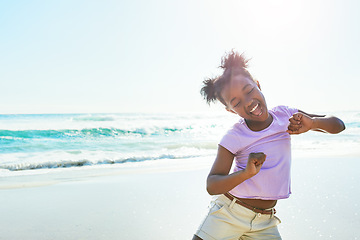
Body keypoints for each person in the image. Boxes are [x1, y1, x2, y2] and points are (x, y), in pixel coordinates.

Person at [192, 50, 345, 240]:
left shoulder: (285, 116)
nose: (248, 102)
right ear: (230, 110)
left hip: (265, 222)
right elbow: (212, 185)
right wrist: (245, 173)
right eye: (237, 103)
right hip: (228, 214)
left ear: (257, 84)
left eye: (249, 91)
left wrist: (313, 124)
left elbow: (338, 125)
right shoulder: (234, 136)